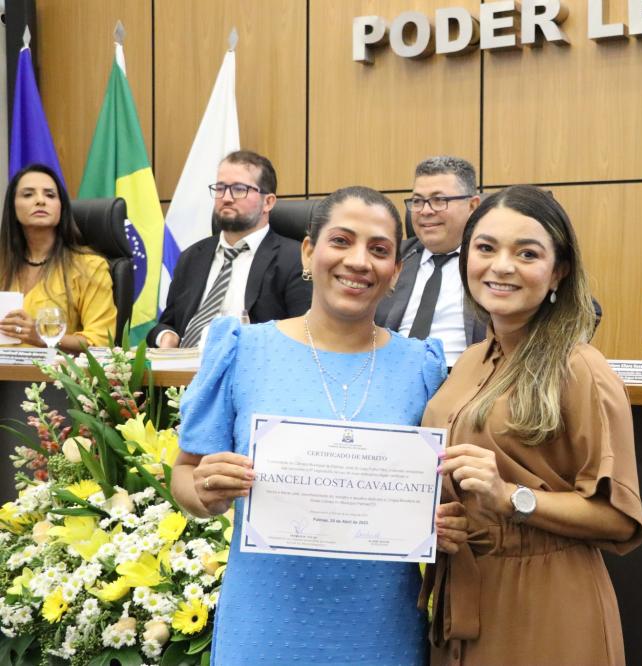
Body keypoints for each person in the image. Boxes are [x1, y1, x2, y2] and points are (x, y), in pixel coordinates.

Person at [170, 186, 466, 665]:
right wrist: (206, 492)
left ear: (396, 271)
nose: (358, 261)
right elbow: (184, 473)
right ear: (309, 252)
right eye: (341, 241)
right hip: (266, 621)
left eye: (379, 250)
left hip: (379, 624)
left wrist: (447, 519)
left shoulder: (423, 367)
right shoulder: (243, 350)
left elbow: (444, 491)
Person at [425, 185, 642, 665]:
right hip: (466, 593)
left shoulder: (581, 368)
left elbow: (619, 519)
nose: (501, 266)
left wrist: (510, 498)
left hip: (546, 604)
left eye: (527, 253)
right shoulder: (468, 362)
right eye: (486, 248)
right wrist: (441, 521)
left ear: (558, 271)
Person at [148, 150, 311, 348]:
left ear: (268, 202)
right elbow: (168, 322)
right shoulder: (192, 257)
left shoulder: (294, 259)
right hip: (184, 363)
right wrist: (166, 335)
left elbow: (304, 334)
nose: (226, 198)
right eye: (220, 188)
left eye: (239, 189)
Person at [375, 156, 484, 366]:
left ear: (472, 206)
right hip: (389, 372)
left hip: (465, 377)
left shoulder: (490, 261)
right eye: (417, 201)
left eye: (439, 200)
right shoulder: (392, 257)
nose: (425, 211)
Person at [0, 164, 116, 351]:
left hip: (57, 369)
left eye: (50, 195)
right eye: (28, 195)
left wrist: (43, 337)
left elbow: (100, 341)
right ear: (12, 207)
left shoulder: (88, 266)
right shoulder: (3, 264)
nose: (40, 201)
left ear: (61, 207)